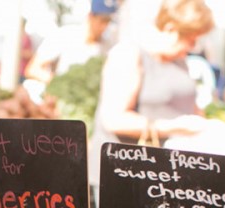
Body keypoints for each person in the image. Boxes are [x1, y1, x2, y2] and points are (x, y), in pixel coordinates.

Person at [88, 0, 217, 187]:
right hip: (126, 174)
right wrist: (174, 127)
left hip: (164, 174)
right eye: (191, 39)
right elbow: (114, 119)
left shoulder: (179, 61)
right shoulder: (129, 54)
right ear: (171, 29)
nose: (193, 46)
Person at [24, 0, 117, 86]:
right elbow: (33, 69)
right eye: (102, 20)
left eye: (108, 21)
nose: (104, 26)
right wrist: (61, 83)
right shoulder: (66, 35)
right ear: (91, 16)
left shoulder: (108, 46)